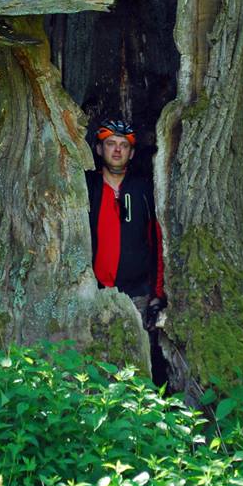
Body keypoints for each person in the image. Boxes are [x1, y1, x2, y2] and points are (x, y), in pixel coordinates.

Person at [86, 118, 166, 329]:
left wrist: (157, 295)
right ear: (99, 149)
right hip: (92, 294)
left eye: (124, 145)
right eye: (111, 143)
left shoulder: (145, 190)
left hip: (138, 296)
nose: (117, 150)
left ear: (131, 153)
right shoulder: (86, 187)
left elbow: (158, 243)